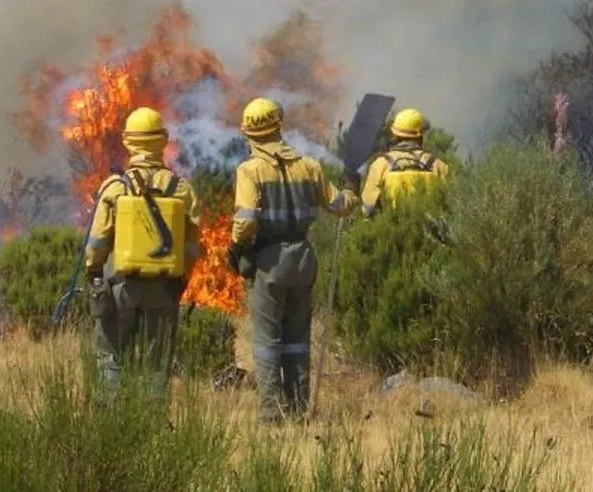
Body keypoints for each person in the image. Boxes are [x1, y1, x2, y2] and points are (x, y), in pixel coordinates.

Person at [227, 97, 360, 425]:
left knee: (268, 341)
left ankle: (272, 415)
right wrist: (352, 186)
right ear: (279, 126)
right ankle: (298, 409)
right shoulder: (309, 166)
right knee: (298, 339)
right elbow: (342, 205)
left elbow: (245, 221)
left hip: (270, 261)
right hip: (303, 258)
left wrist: (235, 247)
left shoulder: (250, 170)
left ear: (249, 134)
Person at [84, 106, 202, 400]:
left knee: (110, 356)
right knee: (157, 364)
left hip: (121, 286)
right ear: (163, 140)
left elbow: (98, 240)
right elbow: (191, 246)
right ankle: (152, 427)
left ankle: (110, 421)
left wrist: (94, 270)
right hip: (164, 288)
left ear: (127, 141)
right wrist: (181, 279)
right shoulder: (182, 190)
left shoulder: (114, 187)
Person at [361, 108, 450, 218]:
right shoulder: (439, 166)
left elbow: (368, 209)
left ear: (394, 135)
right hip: (430, 231)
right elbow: (450, 205)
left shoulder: (380, 165)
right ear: (421, 136)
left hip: (391, 231)